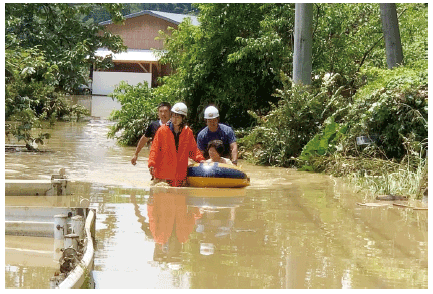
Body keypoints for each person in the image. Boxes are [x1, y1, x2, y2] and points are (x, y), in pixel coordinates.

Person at [148, 102, 205, 187]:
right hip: (163, 176)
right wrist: (151, 163)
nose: (175, 119)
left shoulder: (188, 132)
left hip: (179, 177)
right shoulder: (162, 130)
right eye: (173, 116)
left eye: (177, 117)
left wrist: (201, 160)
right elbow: (154, 149)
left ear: (183, 118)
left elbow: (193, 151)